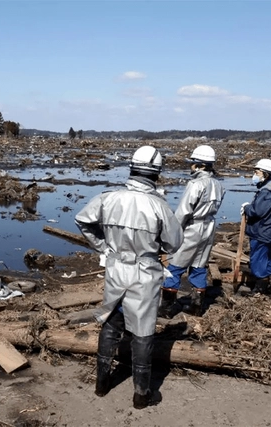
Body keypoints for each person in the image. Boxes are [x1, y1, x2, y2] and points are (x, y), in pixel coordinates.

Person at [75, 145, 183, 409]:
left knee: (112, 321)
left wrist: (103, 246)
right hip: (145, 272)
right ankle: (141, 394)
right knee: (143, 331)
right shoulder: (159, 206)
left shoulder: (108, 197)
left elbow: (83, 220)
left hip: (116, 267)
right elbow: (174, 244)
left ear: (132, 168)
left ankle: (101, 384)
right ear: (156, 173)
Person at [159, 145, 225, 318]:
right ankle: (197, 307)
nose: (191, 166)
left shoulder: (195, 184)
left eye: (193, 163)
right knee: (199, 265)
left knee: (175, 265)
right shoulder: (218, 185)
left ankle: (166, 309)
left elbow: (183, 211)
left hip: (192, 228)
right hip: (209, 227)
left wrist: (172, 232)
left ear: (200, 165)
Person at [241, 159, 271, 295]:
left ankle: (260, 289)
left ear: (265, 174)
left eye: (256, 172)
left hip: (262, 230)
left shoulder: (268, 192)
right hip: (269, 229)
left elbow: (257, 211)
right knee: (267, 257)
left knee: (258, 259)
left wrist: (247, 208)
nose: (254, 175)